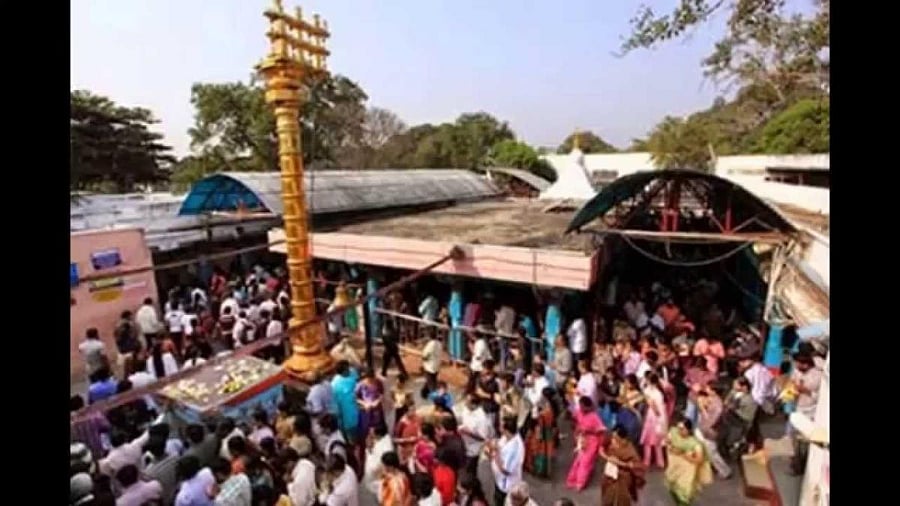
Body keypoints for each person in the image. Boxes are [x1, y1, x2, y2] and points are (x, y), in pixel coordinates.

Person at [788, 353, 823, 476]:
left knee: (803, 443)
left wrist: (806, 391)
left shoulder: (818, 376)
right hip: (797, 408)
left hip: (810, 412)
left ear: (806, 364)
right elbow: (792, 381)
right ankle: (794, 463)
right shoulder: (797, 372)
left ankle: (800, 466)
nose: (796, 366)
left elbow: (821, 397)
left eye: (799, 364)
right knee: (792, 438)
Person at [664, 419, 713, 505]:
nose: (679, 430)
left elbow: (699, 459)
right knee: (672, 489)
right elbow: (668, 441)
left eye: (682, 429)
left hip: (687, 474)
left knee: (684, 496)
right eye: (678, 428)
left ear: (688, 430)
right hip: (674, 469)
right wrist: (670, 445)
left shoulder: (695, 444)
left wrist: (683, 454)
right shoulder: (674, 432)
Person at [598, 424, 646, 506]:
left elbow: (635, 466)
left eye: (615, 437)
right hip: (609, 477)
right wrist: (607, 458)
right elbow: (601, 449)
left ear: (622, 438)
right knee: (607, 499)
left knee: (622, 500)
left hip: (623, 478)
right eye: (613, 436)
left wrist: (619, 463)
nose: (613, 439)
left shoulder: (629, 450)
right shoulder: (610, 442)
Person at [565, 396, 606, 491]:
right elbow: (573, 418)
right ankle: (572, 480)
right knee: (578, 461)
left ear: (588, 407)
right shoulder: (579, 412)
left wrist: (600, 445)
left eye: (582, 406)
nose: (581, 408)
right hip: (581, 440)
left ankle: (580, 483)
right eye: (580, 405)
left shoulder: (594, 417)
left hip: (591, 441)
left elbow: (601, 431)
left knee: (585, 462)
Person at [716, 377, 758, 460]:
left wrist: (729, 406)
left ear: (744, 387)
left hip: (742, 420)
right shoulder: (734, 392)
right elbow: (727, 402)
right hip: (733, 416)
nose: (733, 386)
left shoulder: (748, 400)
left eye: (736, 385)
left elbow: (731, 406)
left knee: (731, 436)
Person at [524, 386, 557, 479]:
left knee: (536, 449)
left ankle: (537, 469)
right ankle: (545, 470)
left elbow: (534, 420)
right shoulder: (552, 406)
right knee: (546, 450)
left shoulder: (541, 407)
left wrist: (530, 430)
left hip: (539, 431)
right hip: (548, 431)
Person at [458, 394, 492, 477]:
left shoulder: (482, 418)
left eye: (467, 402)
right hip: (463, 444)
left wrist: (468, 433)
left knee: (470, 471)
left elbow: (482, 438)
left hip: (473, 449)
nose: (465, 404)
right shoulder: (466, 409)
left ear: (474, 405)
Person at [640, 372, 669, 469]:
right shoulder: (659, 391)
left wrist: (655, 411)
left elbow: (653, 406)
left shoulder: (649, 391)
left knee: (648, 440)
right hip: (661, 416)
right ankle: (660, 461)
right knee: (658, 440)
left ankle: (647, 460)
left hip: (653, 416)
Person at [331, 361, 361, 440]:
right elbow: (336, 405)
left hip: (361, 410)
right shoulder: (335, 385)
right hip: (349, 418)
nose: (349, 371)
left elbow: (358, 380)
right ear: (342, 372)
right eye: (346, 370)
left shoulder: (352, 372)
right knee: (353, 438)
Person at [363, 423, 395, 495]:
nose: (370, 435)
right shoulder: (385, 438)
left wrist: (368, 450)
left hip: (379, 477)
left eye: (372, 433)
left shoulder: (383, 449)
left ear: (379, 435)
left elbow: (373, 468)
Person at [355, 369, 385, 442]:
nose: (371, 381)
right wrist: (364, 403)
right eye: (369, 380)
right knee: (366, 429)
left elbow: (381, 394)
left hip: (377, 410)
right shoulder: (360, 385)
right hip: (366, 410)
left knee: (377, 427)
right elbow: (356, 398)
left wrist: (377, 401)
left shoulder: (378, 382)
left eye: (372, 379)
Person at [420, 330, 443, 398]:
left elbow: (425, 356)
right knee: (430, 380)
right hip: (436, 365)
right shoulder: (439, 343)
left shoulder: (430, 345)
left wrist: (423, 359)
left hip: (429, 367)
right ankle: (424, 393)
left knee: (432, 385)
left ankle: (436, 399)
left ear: (429, 337)